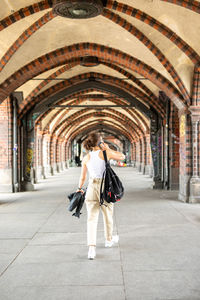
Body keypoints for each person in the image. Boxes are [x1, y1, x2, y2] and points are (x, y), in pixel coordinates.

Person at [77, 133, 125, 260]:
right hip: (105, 187)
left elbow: (82, 177)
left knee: (91, 219)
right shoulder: (105, 153)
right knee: (108, 214)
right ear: (99, 143)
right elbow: (122, 156)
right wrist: (107, 149)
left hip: (92, 187)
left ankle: (91, 248)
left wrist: (79, 188)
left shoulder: (86, 157)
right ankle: (108, 240)